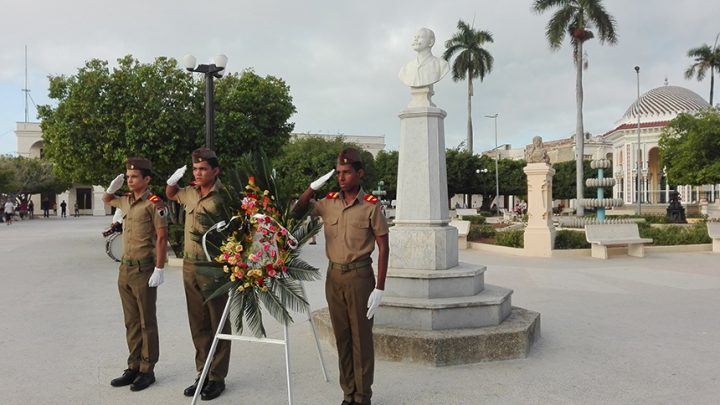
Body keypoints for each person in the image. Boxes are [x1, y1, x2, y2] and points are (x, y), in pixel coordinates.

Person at [293, 148, 389, 405]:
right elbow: (296, 212)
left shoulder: (370, 206)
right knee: (342, 337)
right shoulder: (327, 203)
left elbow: (384, 247)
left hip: (360, 277)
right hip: (334, 277)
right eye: (338, 173)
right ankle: (348, 394)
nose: (342, 177)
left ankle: (363, 395)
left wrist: (379, 287)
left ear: (359, 173)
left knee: (361, 338)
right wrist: (311, 188)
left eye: (347, 172)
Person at [165, 148, 230, 401]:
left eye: (203, 169)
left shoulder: (225, 196)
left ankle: (217, 377)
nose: (198, 173)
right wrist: (171, 182)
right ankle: (202, 372)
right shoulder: (190, 192)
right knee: (198, 322)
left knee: (218, 322)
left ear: (215, 171)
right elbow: (171, 194)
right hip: (190, 266)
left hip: (213, 266)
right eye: (195, 169)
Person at [102, 157, 168, 392]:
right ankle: (133, 366)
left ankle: (147, 370)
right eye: (127, 177)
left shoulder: (155, 203)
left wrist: (159, 268)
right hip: (125, 268)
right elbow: (107, 199)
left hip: (144, 269)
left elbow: (161, 237)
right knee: (131, 322)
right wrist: (112, 188)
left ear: (146, 179)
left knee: (146, 321)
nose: (130, 180)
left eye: (134, 177)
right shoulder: (126, 200)